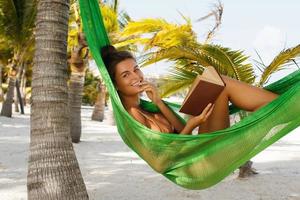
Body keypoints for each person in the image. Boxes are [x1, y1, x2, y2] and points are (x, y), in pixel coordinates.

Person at [101, 45, 279, 135]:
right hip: (200, 159)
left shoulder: (146, 108)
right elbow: (168, 157)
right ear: (115, 84)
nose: (135, 76)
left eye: (136, 69)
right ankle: (285, 104)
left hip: (198, 146)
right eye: (125, 75)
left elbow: (179, 129)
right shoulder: (133, 115)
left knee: (213, 83)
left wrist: (159, 102)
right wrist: (194, 124)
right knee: (222, 83)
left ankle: (283, 104)